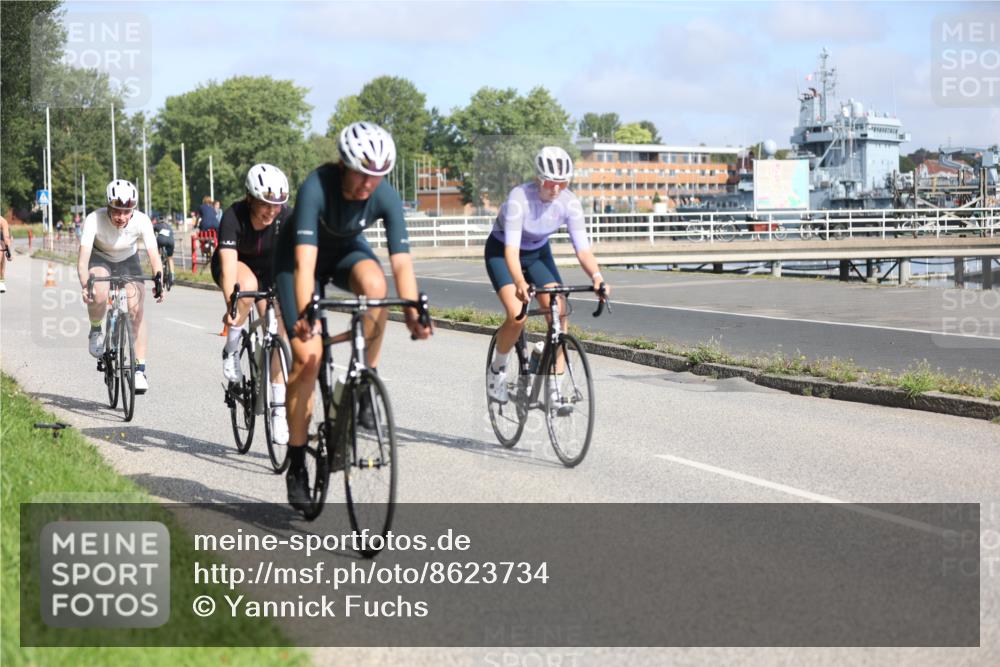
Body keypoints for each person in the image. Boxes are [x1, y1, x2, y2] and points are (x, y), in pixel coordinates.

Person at [275, 121, 432, 509]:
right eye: (362, 174)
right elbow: (305, 261)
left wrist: (413, 311)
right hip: (297, 263)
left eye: (377, 176)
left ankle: (364, 380)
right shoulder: (317, 186)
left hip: (346, 252)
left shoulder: (385, 196)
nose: (368, 184)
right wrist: (307, 313)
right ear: (345, 164)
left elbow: (402, 265)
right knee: (308, 360)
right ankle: (297, 461)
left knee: (377, 289)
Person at [484, 146, 610, 403]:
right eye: (551, 182)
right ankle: (497, 368)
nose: (556, 189)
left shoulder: (569, 202)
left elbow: (583, 250)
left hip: (538, 254)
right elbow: (511, 250)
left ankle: (554, 389)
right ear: (539, 179)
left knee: (559, 312)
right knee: (517, 314)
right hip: (503, 251)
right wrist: (520, 282)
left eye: (563, 183)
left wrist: (597, 277)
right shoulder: (519, 198)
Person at [213, 163, 292, 445]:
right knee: (246, 289)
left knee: (278, 335)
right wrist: (231, 306)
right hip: (238, 267)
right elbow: (229, 267)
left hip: (270, 271)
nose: (272, 211)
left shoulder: (286, 217)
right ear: (250, 198)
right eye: (265, 204)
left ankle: (279, 412)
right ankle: (232, 350)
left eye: (277, 205)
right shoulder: (234, 216)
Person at [77, 179, 165, 393]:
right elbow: (82, 260)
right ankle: (97, 328)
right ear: (108, 206)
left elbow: (154, 256)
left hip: (128, 260)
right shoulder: (93, 219)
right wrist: (84, 284)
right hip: (100, 258)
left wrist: (159, 280)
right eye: (117, 211)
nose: (122, 217)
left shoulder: (142, 220)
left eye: (127, 212)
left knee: (136, 308)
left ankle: (139, 370)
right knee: (98, 290)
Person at [0, 214, 12, 293]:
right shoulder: (2, 221)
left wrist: (8, 251)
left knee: (2, 249)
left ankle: (1, 281)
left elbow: (6, 239)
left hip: (1, 237)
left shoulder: (2, 221)